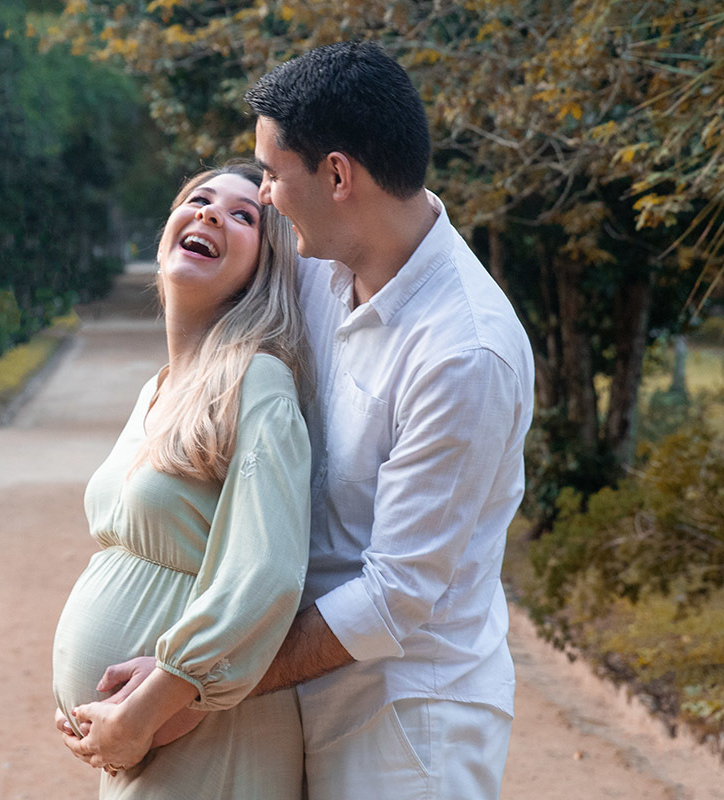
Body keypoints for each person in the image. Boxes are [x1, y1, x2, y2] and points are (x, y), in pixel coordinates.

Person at [62, 41, 534, 799]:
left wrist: (182, 693)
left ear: (338, 176)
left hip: (405, 722)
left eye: (273, 176)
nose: (267, 196)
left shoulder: (464, 353)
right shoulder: (323, 266)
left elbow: (394, 597)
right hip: (287, 698)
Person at [50, 162, 312, 799]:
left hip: (211, 738)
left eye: (244, 216)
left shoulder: (258, 381)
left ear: (266, 265)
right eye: (199, 198)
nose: (211, 212)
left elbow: (265, 572)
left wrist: (150, 712)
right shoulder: (159, 388)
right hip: (143, 746)